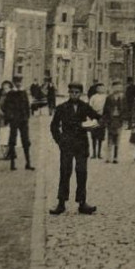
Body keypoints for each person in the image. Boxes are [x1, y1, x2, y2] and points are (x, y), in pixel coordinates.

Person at [48, 82, 97, 215]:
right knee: (65, 172)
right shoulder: (62, 108)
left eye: (77, 92)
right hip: (67, 145)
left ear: (81, 93)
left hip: (81, 144)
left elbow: (97, 118)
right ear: (69, 93)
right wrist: (60, 141)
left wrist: (92, 125)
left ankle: (82, 202)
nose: (74, 95)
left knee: (81, 172)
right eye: (72, 92)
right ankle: (61, 202)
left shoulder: (85, 107)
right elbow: (54, 127)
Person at [2, 75, 34, 171]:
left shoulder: (23, 92)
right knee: (12, 140)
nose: (18, 83)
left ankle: (28, 163)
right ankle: (12, 164)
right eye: (17, 81)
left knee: (26, 141)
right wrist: (10, 117)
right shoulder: (11, 93)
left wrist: (27, 116)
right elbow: (6, 107)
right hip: (14, 120)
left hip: (23, 120)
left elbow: (27, 105)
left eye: (20, 81)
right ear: (14, 82)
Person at [103, 80, 125, 163]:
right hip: (111, 119)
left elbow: (125, 109)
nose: (117, 88)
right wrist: (105, 119)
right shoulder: (109, 98)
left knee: (117, 139)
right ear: (112, 88)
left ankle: (116, 157)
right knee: (110, 138)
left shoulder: (123, 97)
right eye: (115, 87)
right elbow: (105, 109)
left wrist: (124, 118)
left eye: (119, 86)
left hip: (119, 120)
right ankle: (108, 156)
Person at [89, 82, 107, 159]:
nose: (100, 89)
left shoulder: (106, 97)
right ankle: (94, 153)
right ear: (96, 89)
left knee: (100, 136)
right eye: (99, 88)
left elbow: (108, 107)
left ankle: (99, 153)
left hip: (102, 117)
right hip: (95, 117)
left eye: (102, 88)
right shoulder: (93, 97)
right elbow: (90, 107)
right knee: (94, 135)